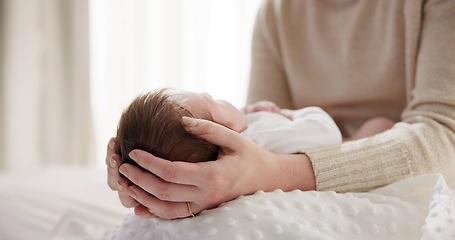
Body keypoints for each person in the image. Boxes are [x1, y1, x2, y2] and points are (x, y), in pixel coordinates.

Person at [106, 0, 455, 220]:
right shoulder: (277, 13)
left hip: (406, 175)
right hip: (318, 159)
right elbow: (250, 149)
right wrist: (151, 187)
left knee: (379, 125)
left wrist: (274, 172)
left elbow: (445, 135)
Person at [115, 88, 344, 172]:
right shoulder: (259, 138)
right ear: (223, 132)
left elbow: (241, 118)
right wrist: (291, 115)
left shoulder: (217, 151)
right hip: (335, 150)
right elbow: (327, 131)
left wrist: (253, 112)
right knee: (377, 127)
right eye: (213, 100)